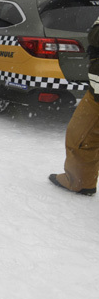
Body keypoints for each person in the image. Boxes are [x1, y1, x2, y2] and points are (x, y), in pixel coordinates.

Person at [49, 17, 99, 196]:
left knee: (80, 136)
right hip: (96, 90)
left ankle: (79, 181)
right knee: (80, 135)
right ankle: (81, 181)